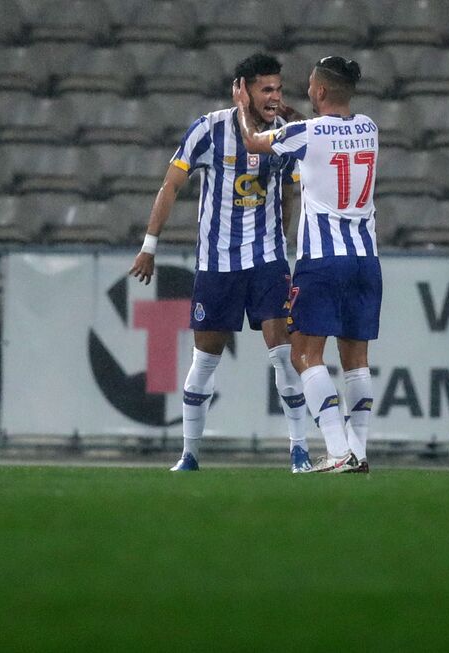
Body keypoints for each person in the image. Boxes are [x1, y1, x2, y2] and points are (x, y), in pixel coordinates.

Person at [129, 53, 312, 473]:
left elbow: (292, 191)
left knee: (284, 356)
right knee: (204, 362)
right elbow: (171, 184)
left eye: (279, 89)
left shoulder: (284, 133)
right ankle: (190, 454)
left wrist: (283, 241)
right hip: (217, 264)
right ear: (242, 90)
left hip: (267, 261)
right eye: (266, 89)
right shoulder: (208, 130)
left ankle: (299, 451)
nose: (275, 97)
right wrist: (149, 246)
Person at [233, 55, 379, 473]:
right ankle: (359, 451)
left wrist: (245, 107)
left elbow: (253, 142)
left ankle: (336, 450)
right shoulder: (369, 128)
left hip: (324, 259)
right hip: (366, 259)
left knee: (304, 354)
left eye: (311, 85)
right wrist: (295, 117)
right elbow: (320, 130)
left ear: (319, 91)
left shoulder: (307, 133)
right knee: (356, 359)